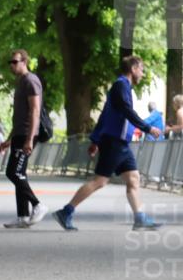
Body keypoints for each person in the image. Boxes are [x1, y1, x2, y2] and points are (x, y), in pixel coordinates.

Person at [53, 56, 163, 231]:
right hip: (114, 142)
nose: (142, 74)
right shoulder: (121, 85)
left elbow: (105, 114)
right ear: (133, 68)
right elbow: (127, 111)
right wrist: (147, 128)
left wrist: (95, 140)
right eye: (141, 69)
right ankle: (66, 211)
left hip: (120, 144)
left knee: (133, 178)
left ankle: (140, 218)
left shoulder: (122, 87)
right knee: (100, 181)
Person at [0, 49, 47, 228]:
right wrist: (9, 139)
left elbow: (34, 110)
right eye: (10, 62)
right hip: (19, 134)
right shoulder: (21, 82)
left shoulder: (31, 80)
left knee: (13, 172)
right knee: (20, 174)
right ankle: (23, 217)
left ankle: (38, 205)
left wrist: (29, 138)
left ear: (24, 62)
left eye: (14, 62)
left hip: (27, 134)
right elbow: (19, 116)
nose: (11, 65)